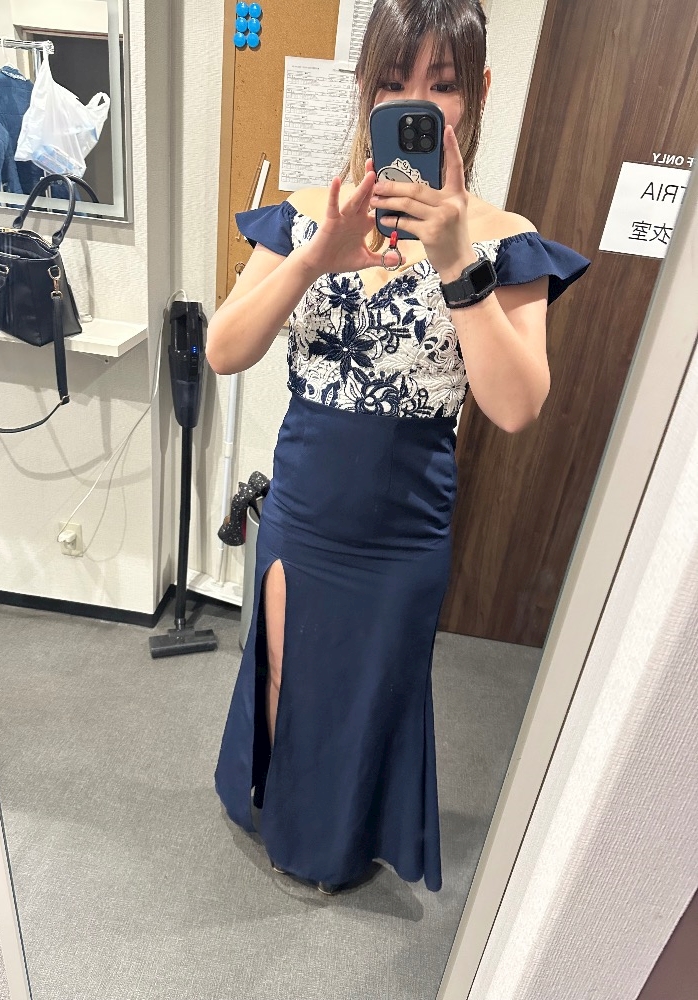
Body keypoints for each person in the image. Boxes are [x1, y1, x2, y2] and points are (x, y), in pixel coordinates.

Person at [209, 0, 590, 895]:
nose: (415, 101)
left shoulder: (503, 241)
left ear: (478, 91)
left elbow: (516, 406)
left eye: (442, 85)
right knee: (283, 669)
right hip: (306, 508)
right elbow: (225, 349)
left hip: (406, 525)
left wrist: (457, 260)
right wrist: (315, 258)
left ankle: (341, 840)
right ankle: (288, 823)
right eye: (392, 81)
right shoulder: (307, 214)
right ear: (364, 87)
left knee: (376, 686)